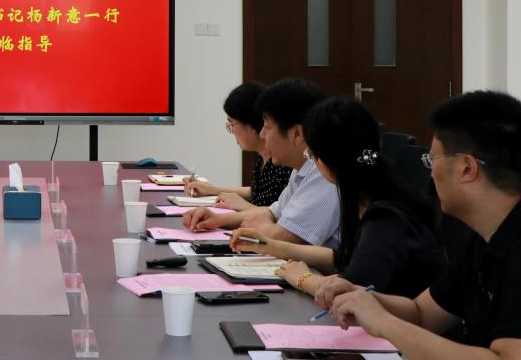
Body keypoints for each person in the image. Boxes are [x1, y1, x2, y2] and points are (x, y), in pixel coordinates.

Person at [320, 91, 521, 358]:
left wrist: (383, 322)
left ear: (467, 168)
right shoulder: (483, 241)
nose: (431, 172)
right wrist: (365, 298)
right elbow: (422, 313)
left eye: (432, 159)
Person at [230, 96, 444, 298]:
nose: (312, 162)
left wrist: (303, 279)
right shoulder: (372, 192)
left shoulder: (384, 215)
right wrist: (271, 246)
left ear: (327, 163)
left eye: (311, 155)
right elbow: (343, 258)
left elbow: (351, 292)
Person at [183, 78, 339, 247]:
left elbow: (288, 236)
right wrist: (219, 219)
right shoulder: (301, 167)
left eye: (267, 127)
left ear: (296, 134)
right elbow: (272, 212)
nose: (262, 134)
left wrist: (261, 227)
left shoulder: (324, 172)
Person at [186, 81, 292, 210]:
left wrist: (241, 205)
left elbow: (277, 216)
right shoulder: (263, 158)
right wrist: (212, 189)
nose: (231, 131)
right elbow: (256, 192)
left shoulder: (281, 163)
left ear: (252, 124)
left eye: (231, 124)